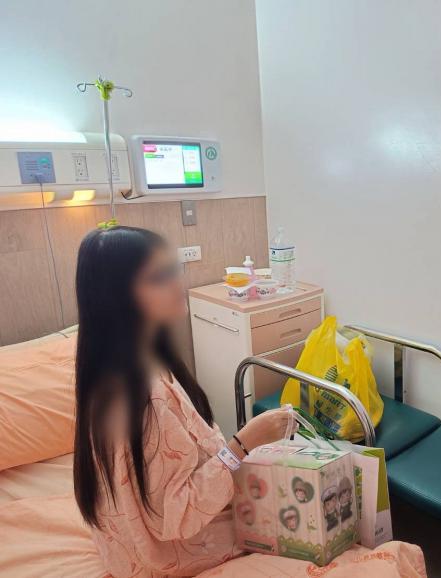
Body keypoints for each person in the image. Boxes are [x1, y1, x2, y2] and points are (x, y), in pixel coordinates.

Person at [72, 225, 296, 577]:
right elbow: (176, 516)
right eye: (158, 277)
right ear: (116, 297)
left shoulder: (118, 367)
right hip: (171, 554)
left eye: (174, 269)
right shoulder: (144, 399)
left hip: (129, 550)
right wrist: (244, 443)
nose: (178, 284)